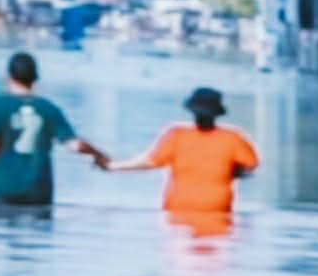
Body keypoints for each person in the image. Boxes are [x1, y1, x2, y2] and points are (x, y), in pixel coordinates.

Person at [0, 51, 107, 206]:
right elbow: (76, 145)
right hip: (39, 192)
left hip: (4, 190)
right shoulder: (48, 108)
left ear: (9, 77)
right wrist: (99, 156)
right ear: (35, 78)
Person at [104, 87, 259, 230]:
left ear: (192, 111)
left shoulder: (177, 135)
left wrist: (114, 166)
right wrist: (232, 171)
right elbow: (250, 166)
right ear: (216, 113)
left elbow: (150, 162)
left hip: (178, 208)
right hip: (216, 209)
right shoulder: (234, 138)